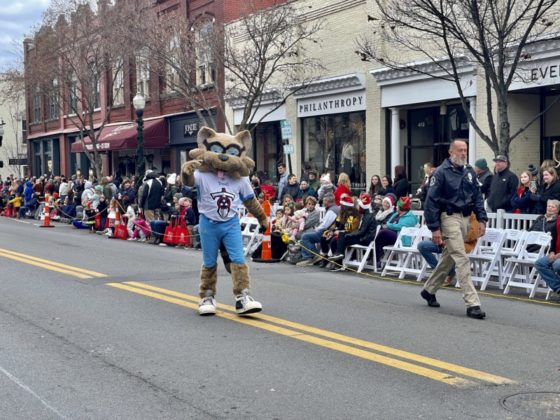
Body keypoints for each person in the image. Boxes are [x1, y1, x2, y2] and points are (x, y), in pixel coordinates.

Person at [421, 139, 488, 320]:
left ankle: (429, 290)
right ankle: (472, 303)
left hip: (466, 218)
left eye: (465, 150)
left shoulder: (469, 173)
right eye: (460, 150)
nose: (463, 153)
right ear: (451, 152)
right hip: (449, 217)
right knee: (461, 257)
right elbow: (431, 202)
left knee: (449, 257)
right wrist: (434, 228)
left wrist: (482, 219)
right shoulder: (441, 173)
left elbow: (477, 197)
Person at [417, 213, 479, 287]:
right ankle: (444, 273)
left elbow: (474, 234)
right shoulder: (449, 213)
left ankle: (444, 274)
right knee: (422, 246)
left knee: (452, 247)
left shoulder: (471, 216)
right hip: (444, 242)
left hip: (463, 244)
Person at [296, 193, 340, 266]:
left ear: (327, 201)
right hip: (327, 231)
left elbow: (325, 225)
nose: (322, 202)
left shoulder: (332, 210)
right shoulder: (333, 208)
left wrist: (317, 229)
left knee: (305, 236)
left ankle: (310, 257)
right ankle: (312, 256)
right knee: (303, 235)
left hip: (326, 233)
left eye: (324, 200)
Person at [374, 196, 418, 268]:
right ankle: (377, 259)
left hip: (401, 238)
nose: (396, 207)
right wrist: (389, 225)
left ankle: (378, 258)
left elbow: (400, 226)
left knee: (383, 232)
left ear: (402, 208)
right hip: (393, 235)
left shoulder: (410, 217)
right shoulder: (396, 214)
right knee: (379, 236)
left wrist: (389, 225)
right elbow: (388, 222)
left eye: (397, 206)